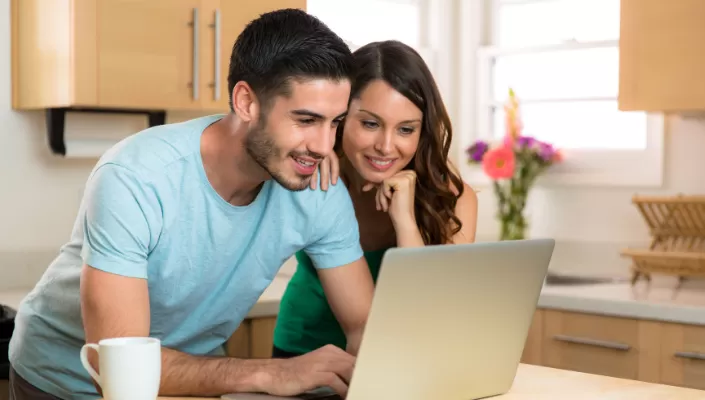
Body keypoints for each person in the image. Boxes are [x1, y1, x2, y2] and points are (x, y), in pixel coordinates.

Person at [8, 9, 375, 400]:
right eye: (306, 120)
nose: (323, 146)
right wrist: (271, 373)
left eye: (335, 123)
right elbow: (119, 370)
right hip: (66, 379)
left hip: (190, 377)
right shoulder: (137, 176)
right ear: (246, 102)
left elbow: (365, 328)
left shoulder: (318, 188)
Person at [272, 40, 479, 358]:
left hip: (395, 362)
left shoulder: (453, 199)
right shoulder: (317, 173)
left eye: (406, 130)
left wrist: (405, 222)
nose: (386, 146)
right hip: (303, 354)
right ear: (341, 116)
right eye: (370, 124)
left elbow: (431, 315)